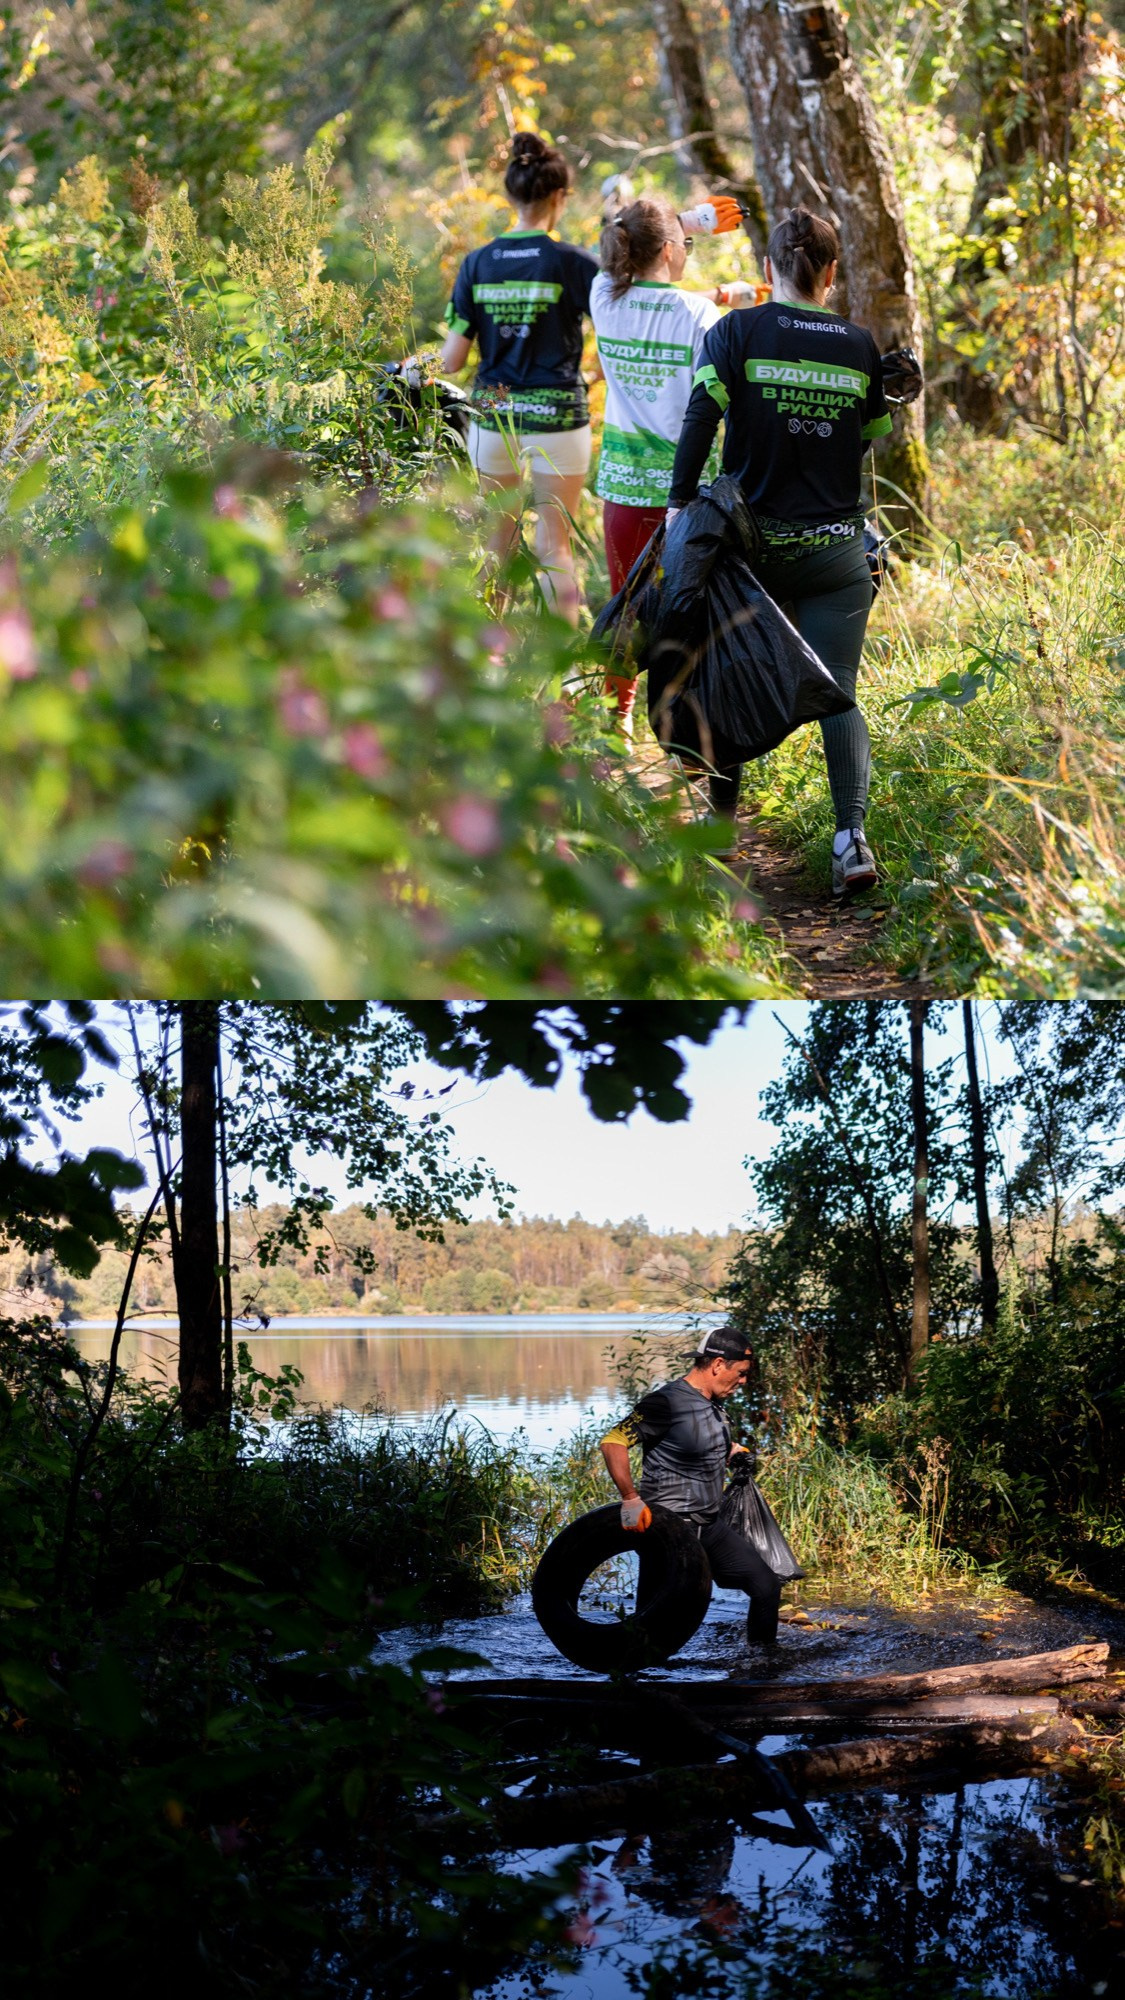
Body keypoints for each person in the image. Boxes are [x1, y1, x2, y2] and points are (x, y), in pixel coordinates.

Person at [666, 205, 893, 897]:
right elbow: (867, 437)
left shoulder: (737, 329)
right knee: (839, 693)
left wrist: (679, 511)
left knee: (726, 673)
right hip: (833, 555)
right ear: (830, 273)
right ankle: (849, 837)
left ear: (768, 271)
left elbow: (700, 421)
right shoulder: (859, 346)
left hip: (749, 551)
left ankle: (720, 827)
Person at [591, 196, 756, 733]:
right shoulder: (700, 316)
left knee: (626, 606)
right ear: (666, 250)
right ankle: (685, 727)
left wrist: (679, 222)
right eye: (684, 243)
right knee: (687, 609)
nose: (687, 249)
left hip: (621, 488)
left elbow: (623, 263)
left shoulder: (602, 296)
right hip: (684, 497)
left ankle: (617, 723)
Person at [440, 132, 597, 626]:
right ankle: (566, 686)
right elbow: (618, 329)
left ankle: (486, 672)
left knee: (496, 543)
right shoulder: (572, 263)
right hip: (559, 419)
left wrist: (413, 368)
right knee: (555, 546)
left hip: (494, 416)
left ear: (511, 196)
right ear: (558, 197)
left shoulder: (478, 263)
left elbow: (451, 360)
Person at [599, 1323, 782, 1646]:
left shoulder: (714, 1404)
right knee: (651, 1622)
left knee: (765, 1585)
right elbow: (613, 1442)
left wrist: (732, 1452)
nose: (743, 1381)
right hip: (668, 1530)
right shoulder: (665, 1402)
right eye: (740, 1373)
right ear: (717, 1365)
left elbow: (698, 1444)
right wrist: (630, 1498)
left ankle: (761, 1666)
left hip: (709, 1526)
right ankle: (631, 1684)